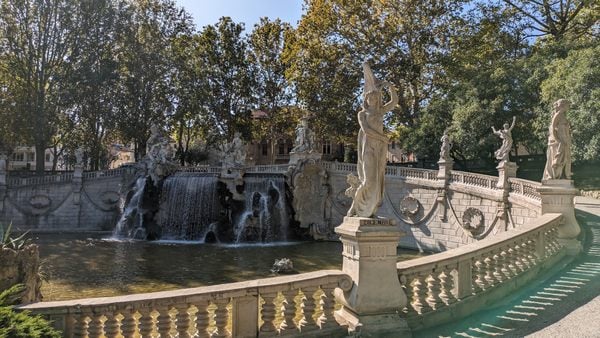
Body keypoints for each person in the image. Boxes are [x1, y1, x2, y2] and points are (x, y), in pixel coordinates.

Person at [347, 62, 398, 218]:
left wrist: (390, 87)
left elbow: (394, 102)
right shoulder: (362, 114)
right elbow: (366, 130)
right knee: (368, 181)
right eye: (370, 97)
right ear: (366, 98)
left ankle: (370, 210)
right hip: (368, 149)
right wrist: (383, 137)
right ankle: (354, 208)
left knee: (377, 182)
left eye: (375, 97)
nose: (372, 99)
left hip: (379, 150)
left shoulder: (381, 112)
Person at [543, 99, 572, 180]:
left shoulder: (563, 115)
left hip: (564, 139)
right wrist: (557, 140)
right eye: (567, 104)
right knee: (557, 159)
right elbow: (552, 127)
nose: (568, 106)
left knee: (565, 159)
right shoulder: (558, 114)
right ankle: (554, 176)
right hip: (558, 141)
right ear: (563, 105)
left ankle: (561, 175)